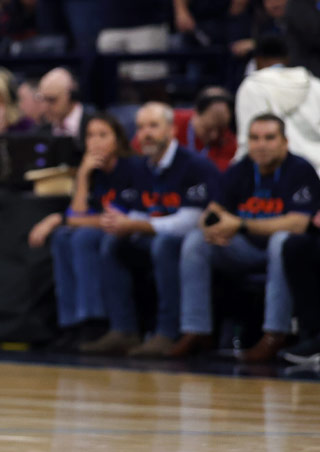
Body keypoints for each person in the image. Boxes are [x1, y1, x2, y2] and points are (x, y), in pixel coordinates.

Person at [174, 114, 320, 361]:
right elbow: (212, 212)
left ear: (285, 141)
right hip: (244, 250)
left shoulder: (300, 170)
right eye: (254, 138)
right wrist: (212, 229)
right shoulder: (240, 169)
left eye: (269, 138)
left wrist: (240, 224)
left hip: (285, 255)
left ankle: (275, 333)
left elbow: (299, 223)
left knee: (281, 240)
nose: (261, 144)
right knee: (196, 241)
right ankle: (196, 330)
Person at [84, 103, 219, 357]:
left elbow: (191, 221)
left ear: (172, 130)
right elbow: (139, 209)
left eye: (153, 126)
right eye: (140, 127)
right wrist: (121, 222)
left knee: (164, 244)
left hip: (195, 240)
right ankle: (123, 330)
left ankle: (168, 333)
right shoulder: (141, 167)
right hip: (155, 234)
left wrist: (136, 225)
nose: (145, 133)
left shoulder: (195, 166)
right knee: (112, 242)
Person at [26, 113, 139, 348]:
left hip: (130, 230)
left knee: (82, 238)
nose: (95, 142)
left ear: (117, 140)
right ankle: (71, 322)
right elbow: (77, 213)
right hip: (100, 227)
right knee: (61, 238)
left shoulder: (131, 168)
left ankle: (94, 321)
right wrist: (83, 175)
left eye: (103, 135)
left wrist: (65, 220)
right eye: (90, 136)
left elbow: (108, 220)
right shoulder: (93, 172)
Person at [233, 36, 320, 167]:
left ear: (257, 60)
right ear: (287, 58)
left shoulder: (251, 87)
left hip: (281, 173)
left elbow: (247, 144)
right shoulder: (315, 85)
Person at [36, 68, 84, 137]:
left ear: (72, 96)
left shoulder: (96, 125)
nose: (45, 107)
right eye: (43, 99)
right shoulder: (41, 131)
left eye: (51, 100)